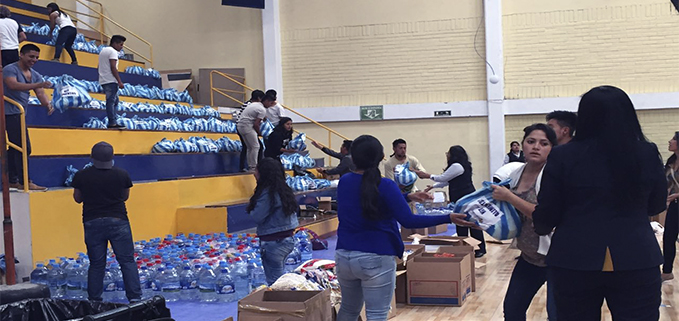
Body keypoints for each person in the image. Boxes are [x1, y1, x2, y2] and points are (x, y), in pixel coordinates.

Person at [533, 86, 667, 320]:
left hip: (574, 257)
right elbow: (656, 205)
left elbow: (548, 210)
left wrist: (542, 227)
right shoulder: (646, 152)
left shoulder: (564, 155)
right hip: (636, 256)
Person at [335, 135, 474, 321]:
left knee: (348, 311)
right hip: (375, 258)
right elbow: (408, 221)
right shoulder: (386, 185)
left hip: (344, 256)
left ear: (352, 157)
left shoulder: (344, 182)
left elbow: (367, 198)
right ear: (382, 156)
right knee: (376, 314)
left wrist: (408, 196)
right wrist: (448, 217)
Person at [490, 123, 558, 321]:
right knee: (512, 309)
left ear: (552, 149)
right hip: (529, 256)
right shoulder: (515, 174)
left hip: (556, 258)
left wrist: (510, 197)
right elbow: (510, 213)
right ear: (522, 145)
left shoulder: (554, 176)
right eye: (531, 142)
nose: (536, 147)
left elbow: (545, 216)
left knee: (557, 315)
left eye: (543, 143)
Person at [71, 142, 142, 302]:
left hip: (92, 221)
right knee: (127, 261)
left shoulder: (81, 175)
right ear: (112, 157)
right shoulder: (122, 174)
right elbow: (125, 197)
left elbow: (78, 199)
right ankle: (135, 298)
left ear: (91, 157)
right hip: (118, 220)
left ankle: (94, 300)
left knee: (96, 264)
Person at [415, 145, 487, 257]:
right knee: (461, 222)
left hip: (464, 197)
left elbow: (443, 177)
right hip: (461, 198)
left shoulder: (457, 166)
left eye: (448, 153)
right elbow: (447, 181)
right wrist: (433, 186)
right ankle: (464, 247)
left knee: (470, 223)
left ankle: (479, 248)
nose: (447, 155)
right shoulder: (460, 165)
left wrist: (427, 175)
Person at [4, 44, 53, 191]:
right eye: (31, 56)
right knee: (24, 148)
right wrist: (37, 84)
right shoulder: (10, 69)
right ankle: (25, 182)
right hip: (8, 112)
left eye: (37, 57)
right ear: (21, 55)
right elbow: (13, 85)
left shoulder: (35, 75)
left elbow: (40, 93)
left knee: (16, 147)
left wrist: (47, 104)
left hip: (19, 113)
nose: (34, 60)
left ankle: (12, 179)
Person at [246, 158, 299, 284]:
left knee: (275, 283)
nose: (254, 173)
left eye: (256, 170)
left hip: (273, 243)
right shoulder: (284, 190)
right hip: (287, 240)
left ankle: (281, 303)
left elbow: (257, 216)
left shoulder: (268, 193)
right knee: (280, 277)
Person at [238, 92, 274, 171]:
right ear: (266, 101)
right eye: (270, 103)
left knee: (249, 147)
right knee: (256, 146)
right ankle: (253, 167)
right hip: (247, 126)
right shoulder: (262, 109)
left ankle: (250, 165)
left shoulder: (254, 104)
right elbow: (256, 125)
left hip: (240, 126)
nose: (270, 105)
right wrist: (260, 133)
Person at [98, 35, 126, 129]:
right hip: (111, 80)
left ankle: (113, 120)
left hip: (103, 79)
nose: (122, 47)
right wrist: (119, 81)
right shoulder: (113, 52)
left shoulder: (103, 50)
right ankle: (112, 123)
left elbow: (98, 66)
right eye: (120, 44)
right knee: (111, 101)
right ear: (115, 43)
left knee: (115, 101)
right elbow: (113, 67)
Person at [664, 131, 679, 282]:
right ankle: (667, 271)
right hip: (675, 205)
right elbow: (666, 184)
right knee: (669, 238)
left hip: (677, 200)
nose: (670, 141)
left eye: (673, 139)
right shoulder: (670, 162)